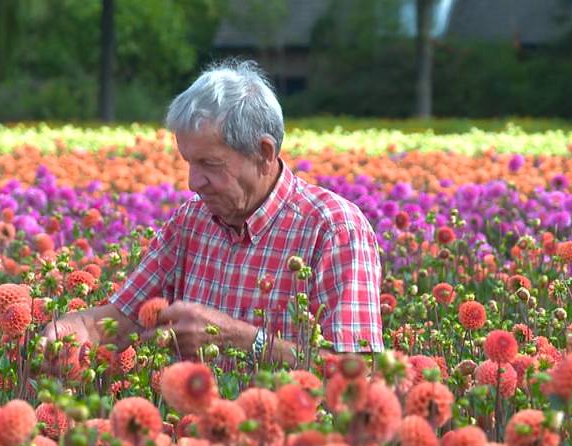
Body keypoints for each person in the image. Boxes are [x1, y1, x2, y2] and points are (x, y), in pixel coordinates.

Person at [42, 59, 383, 366]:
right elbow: (124, 317)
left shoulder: (334, 229)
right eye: (190, 162)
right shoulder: (191, 221)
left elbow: (357, 374)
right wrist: (76, 326)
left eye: (210, 163)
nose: (193, 182)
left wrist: (245, 341)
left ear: (264, 152)